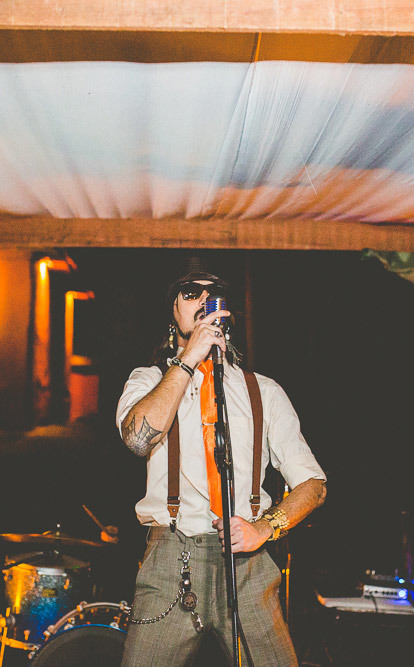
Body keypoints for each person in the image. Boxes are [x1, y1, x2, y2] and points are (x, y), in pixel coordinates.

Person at [116, 264, 326, 667]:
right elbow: (136, 439)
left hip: (246, 563)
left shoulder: (263, 390)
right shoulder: (148, 380)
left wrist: (265, 527)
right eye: (191, 293)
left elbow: (313, 484)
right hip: (171, 560)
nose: (204, 301)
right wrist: (188, 358)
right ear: (171, 312)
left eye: (214, 294)